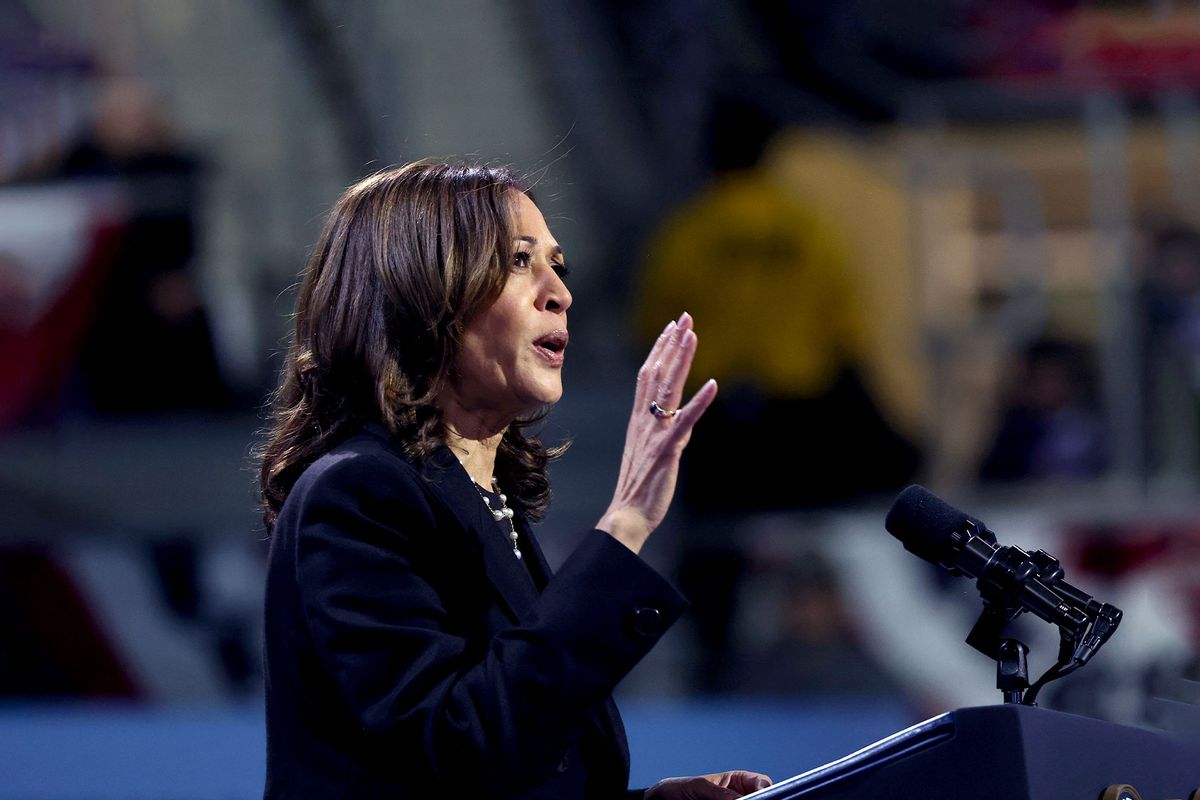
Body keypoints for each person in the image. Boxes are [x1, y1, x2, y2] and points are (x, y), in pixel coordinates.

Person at [258, 162, 771, 799]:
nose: (559, 292)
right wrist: (627, 521)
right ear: (419, 292)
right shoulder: (358, 493)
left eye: (558, 264)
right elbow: (461, 750)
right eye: (517, 261)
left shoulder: (481, 501)